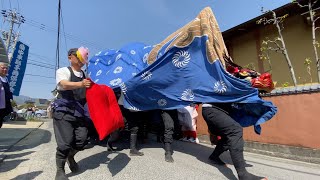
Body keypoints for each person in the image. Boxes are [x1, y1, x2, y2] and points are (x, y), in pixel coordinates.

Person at [51, 47, 90, 180]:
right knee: (65, 143)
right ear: (70, 57)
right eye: (78, 57)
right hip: (64, 110)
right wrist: (81, 84)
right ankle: (60, 170)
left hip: (79, 112)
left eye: (83, 59)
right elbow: (63, 85)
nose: (81, 61)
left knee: (82, 140)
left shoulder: (85, 75)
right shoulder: (63, 71)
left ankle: (70, 156)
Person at [201, 103, 267, 180]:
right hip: (212, 109)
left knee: (228, 136)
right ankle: (243, 175)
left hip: (218, 111)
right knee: (235, 130)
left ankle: (213, 157)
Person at [0, 62, 13, 128]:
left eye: (6, 68)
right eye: (3, 68)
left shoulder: (6, 79)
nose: (5, 69)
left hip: (5, 104)